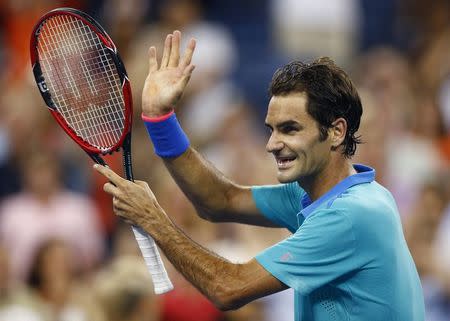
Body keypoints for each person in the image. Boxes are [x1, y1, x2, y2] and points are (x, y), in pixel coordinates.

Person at [94, 30, 425, 320]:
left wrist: (155, 220)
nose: (272, 144)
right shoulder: (322, 194)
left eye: (290, 129)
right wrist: (160, 119)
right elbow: (219, 200)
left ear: (337, 131)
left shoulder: (351, 215)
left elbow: (229, 288)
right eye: (272, 129)